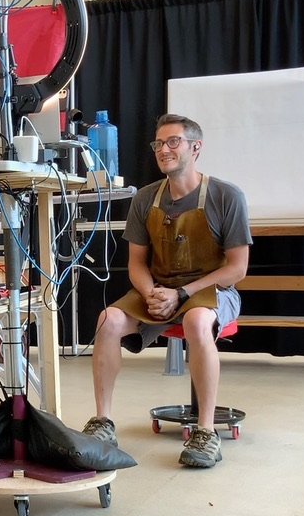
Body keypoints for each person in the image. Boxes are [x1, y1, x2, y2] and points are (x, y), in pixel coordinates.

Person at [83, 114, 252, 468]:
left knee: (196, 321)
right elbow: (136, 265)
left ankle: (206, 433)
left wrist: (184, 293)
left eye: (173, 141)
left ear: (195, 147)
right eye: (159, 144)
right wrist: (150, 294)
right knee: (108, 320)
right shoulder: (145, 199)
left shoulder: (226, 196)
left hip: (210, 290)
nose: (164, 150)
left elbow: (236, 268)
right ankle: (103, 424)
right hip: (159, 290)